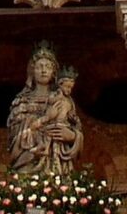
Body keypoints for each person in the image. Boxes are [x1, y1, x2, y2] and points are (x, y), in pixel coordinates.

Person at [6, 42, 82, 175]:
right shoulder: (21, 102)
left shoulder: (65, 100)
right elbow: (14, 140)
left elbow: (75, 127)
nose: (43, 70)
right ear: (32, 70)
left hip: (58, 160)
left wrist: (72, 136)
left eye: (48, 66)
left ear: (54, 72)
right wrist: (43, 120)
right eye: (39, 66)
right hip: (29, 162)